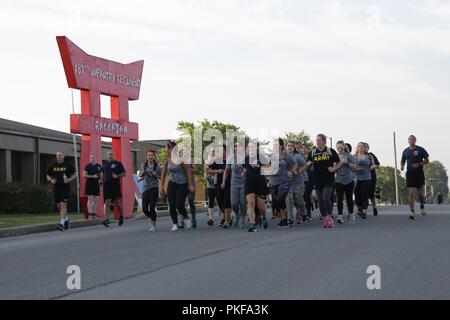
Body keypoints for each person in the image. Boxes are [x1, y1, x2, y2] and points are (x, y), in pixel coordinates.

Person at [306, 134, 341, 228]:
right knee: (320, 201)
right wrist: (307, 165)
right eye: (316, 140)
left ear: (324, 141)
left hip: (328, 179)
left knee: (326, 198)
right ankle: (325, 219)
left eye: (320, 140)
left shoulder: (330, 151)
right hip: (317, 179)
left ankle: (330, 217)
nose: (318, 142)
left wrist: (334, 169)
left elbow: (339, 162)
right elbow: (308, 164)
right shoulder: (313, 152)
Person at [160, 141, 196, 231]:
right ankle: (175, 223)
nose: (171, 150)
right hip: (172, 183)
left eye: (173, 148)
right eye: (169, 149)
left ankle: (186, 217)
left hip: (182, 183)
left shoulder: (181, 160)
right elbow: (163, 175)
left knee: (179, 204)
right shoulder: (166, 162)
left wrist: (191, 184)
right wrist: (161, 188)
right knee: (171, 204)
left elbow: (188, 172)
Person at [269, 138, 297, 228]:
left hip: (284, 180)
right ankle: (281, 219)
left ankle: (285, 219)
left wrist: (291, 171)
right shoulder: (271, 155)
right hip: (273, 181)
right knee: (275, 202)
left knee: (280, 199)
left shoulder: (286, 155)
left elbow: (294, 164)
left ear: (281, 146)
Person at [400, 135, 430, 220]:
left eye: (413, 139)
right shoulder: (405, 151)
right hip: (410, 173)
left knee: (420, 193)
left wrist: (419, 164)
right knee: (411, 192)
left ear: (415, 140)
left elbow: (427, 160)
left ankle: (422, 206)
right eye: (409, 139)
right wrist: (402, 166)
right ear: (408, 141)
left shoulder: (420, 149)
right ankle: (412, 212)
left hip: (419, 173)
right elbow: (402, 160)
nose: (411, 140)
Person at [46, 151, 77, 231]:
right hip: (56, 188)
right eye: (57, 155)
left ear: (63, 156)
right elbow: (48, 175)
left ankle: (61, 223)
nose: (58, 157)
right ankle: (66, 218)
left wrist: (69, 179)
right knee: (59, 206)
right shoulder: (53, 165)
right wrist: (51, 180)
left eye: (60, 155)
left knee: (63, 205)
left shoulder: (68, 165)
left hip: (65, 187)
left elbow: (75, 174)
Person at [243, 141, 270, 232]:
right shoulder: (246, 159)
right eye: (249, 147)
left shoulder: (262, 157)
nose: (251, 149)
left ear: (256, 148)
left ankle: (264, 217)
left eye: (253, 147)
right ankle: (252, 224)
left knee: (261, 206)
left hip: (260, 183)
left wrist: (259, 166)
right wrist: (244, 172)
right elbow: (246, 169)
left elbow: (268, 168)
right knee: (250, 203)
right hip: (249, 183)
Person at [223, 142, 247, 229]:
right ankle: (237, 214)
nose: (237, 147)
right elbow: (226, 170)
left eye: (239, 146)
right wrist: (223, 181)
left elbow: (249, 168)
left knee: (243, 203)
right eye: (236, 146)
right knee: (234, 204)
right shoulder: (231, 157)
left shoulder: (246, 157)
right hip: (234, 183)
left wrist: (245, 172)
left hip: (244, 183)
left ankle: (242, 220)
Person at [138, 150, 162, 232]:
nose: (150, 156)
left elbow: (161, 177)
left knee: (152, 207)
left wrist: (156, 175)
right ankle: (151, 217)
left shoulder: (157, 167)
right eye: (149, 155)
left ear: (154, 156)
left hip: (154, 188)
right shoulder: (143, 165)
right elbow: (140, 176)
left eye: (152, 155)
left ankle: (153, 225)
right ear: (146, 156)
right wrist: (141, 173)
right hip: (145, 188)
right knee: (144, 209)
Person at [335, 141, 357, 224]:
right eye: (338, 147)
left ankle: (351, 215)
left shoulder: (349, 156)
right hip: (338, 180)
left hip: (349, 180)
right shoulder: (336, 156)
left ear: (344, 147)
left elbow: (355, 167)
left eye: (341, 147)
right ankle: (340, 216)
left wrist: (347, 163)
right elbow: (334, 167)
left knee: (349, 198)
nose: (339, 149)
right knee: (339, 198)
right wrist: (337, 165)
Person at [102, 151, 126, 227]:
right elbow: (102, 173)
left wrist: (117, 176)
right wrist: (101, 179)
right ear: (107, 155)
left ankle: (121, 216)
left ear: (114, 155)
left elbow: (124, 173)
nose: (110, 156)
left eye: (111, 154)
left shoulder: (118, 163)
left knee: (116, 202)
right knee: (107, 202)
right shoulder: (104, 163)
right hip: (106, 185)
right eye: (109, 154)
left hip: (115, 185)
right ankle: (106, 219)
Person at [210, 145, 232, 229]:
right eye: (219, 150)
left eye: (222, 150)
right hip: (218, 183)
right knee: (221, 201)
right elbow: (208, 170)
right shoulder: (218, 161)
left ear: (226, 151)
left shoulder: (230, 160)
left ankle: (226, 220)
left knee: (227, 200)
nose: (221, 152)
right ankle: (227, 217)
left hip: (229, 183)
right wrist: (217, 170)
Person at [286, 141, 307, 225]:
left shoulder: (297, 156)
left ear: (294, 148)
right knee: (289, 200)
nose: (290, 147)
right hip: (287, 183)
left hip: (298, 182)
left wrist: (298, 171)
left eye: (292, 146)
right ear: (286, 147)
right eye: (288, 146)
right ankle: (290, 219)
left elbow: (305, 165)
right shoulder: (283, 157)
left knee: (299, 201)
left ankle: (303, 213)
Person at [354, 143, 372, 219]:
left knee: (364, 194)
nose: (361, 147)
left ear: (365, 148)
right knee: (357, 194)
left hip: (366, 177)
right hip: (356, 178)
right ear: (357, 148)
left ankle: (364, 212)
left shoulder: (369, 156)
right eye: (359, 146)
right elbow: (350, 165)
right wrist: (356, 168)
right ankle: (359, 207)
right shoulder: (353, 157)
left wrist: (372, 167)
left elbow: (373, 164)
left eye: (362, 146)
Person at [82, 155, 103, 220]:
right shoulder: (87, 166)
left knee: (96, 199)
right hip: (89, 184)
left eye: (93, 158)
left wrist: (101, 183)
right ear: (90, 159)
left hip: (96, 184)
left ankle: (93, 213)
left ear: (95, 159)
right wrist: (92, 176)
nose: (92, 159)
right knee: (90, 200)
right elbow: (83, 175)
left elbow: (101, 175)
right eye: (91, 158)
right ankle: (90, 214)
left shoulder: (99, 166)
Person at [365, 143, 381, 216]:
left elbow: (378, 165)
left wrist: (373, 166)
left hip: (371, 176)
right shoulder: (357, 156)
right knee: (363, 193)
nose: (364, 148)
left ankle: (374, 206)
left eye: (366, 147)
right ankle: (363, 210)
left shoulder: (371, 155)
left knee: (371, 193)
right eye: (362, 146)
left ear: (368, 148)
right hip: (361, 177)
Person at [204, 149, 218, 226]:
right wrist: (206, 176)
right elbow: (205, 173)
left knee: (220, 201)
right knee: (211, 201)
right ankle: (210, 219)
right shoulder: (206, 162)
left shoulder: (219, 161)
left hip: (217, 183)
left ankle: (224, 217)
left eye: (214, 152)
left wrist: (211, 171)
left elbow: (218, 171)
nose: (213, 153)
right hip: (210, 184)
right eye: (211, 151)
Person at [301, 144, 314, 221]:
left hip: (310, 178)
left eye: (305, 148)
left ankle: (308, 212)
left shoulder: (311, 157)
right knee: (303, 196)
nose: (303, 149)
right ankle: (304, 211)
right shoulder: (299, 157)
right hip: (301, 178)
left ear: (308, 149)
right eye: (302, 148)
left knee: (306, 195)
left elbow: (313, 168)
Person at [187, 164, 200, 228]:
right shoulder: (179, 160)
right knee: (180, 202)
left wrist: (189, 169)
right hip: (181, 184)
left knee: (190, 200)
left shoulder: (193, 160)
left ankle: (193, 219)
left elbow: (197, 171)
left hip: (191, 184)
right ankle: (182, 220)